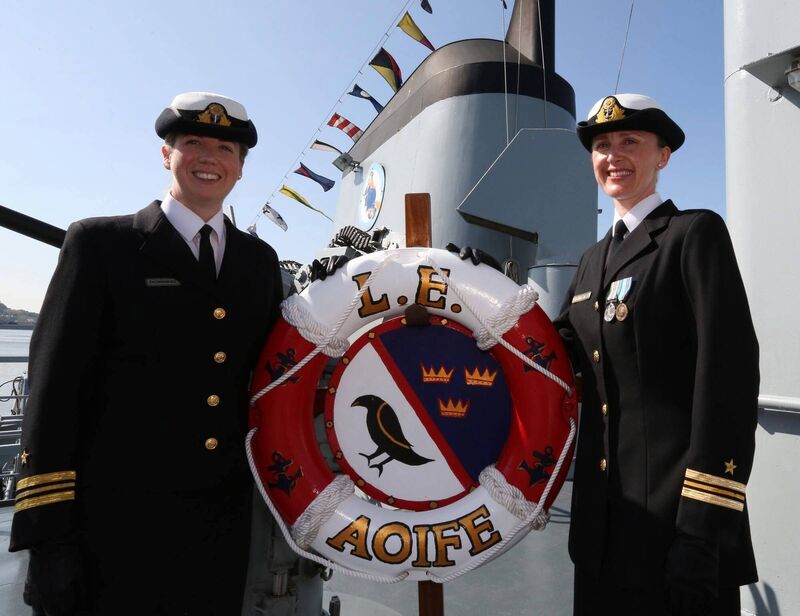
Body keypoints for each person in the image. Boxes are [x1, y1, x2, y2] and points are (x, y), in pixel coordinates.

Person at [10, 92, 284, 615]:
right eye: (193, 143)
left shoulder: (258, 261)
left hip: (219, 520)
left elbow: (294, 355)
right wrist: (49, 538)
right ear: (167, 154)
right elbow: (53, 390)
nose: (210, 158)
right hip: (113, 522)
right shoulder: (100, 245)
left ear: (241, 168)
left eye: (225, 148)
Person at [556, 94, 759, 616]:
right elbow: (552, 357)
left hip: (675, 535)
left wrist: (702, 531)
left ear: (662, 155)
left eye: (630, 142)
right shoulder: (590, 261)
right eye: (602, 145)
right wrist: (479, 290)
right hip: (601, 533)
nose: (613, 155)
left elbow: (727, 384)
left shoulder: (693, 235)